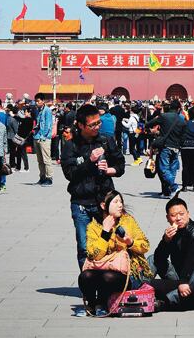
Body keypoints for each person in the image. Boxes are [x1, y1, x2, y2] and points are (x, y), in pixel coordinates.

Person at [62, 103, 126, 269]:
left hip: (104, 201)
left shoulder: (106, 140)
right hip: (81, 203)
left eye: (99, 122)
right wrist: (89, 162)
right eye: (92, 124)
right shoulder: (71, 145)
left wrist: (110, 170)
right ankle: (87, 280)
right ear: (81, 125)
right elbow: (69, 174)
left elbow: (120, 165)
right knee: (84, 247)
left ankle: (105, 279)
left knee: (109, 242)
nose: (97, 127)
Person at [77, 189, 153, 316]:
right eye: (115, 202)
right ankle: (91, 304)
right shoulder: (93, 227)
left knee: (108, 277)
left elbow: (145, 245)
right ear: (103, 205)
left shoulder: (128, 221)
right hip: (102, 268)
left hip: (127, 273)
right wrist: (105, 233)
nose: (120, 205)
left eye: (121, 201)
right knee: (85, 276)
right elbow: (94, 255)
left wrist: (130, 242)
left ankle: (102, 303)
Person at [146, 100, 186, 197]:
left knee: (163, 169)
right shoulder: (182, 119)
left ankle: (174, 187)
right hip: (176, 147)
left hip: (165, 146)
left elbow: (148, 124)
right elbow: (183, 136)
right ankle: (169, 191)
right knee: (172, 170)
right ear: (178, 109)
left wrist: (155, 130)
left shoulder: (164, 116)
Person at [33, 93, 54, 186]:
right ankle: (42, 177)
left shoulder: (47, 110)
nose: (36, 103)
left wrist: (43, 136)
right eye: (36, 101)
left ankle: (49, 178)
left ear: (43, 101)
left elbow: (48, 125)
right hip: (37, 136)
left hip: (44, 138)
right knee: (40, 160)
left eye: (38, 101)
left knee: (46, 159)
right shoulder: (38, 110)